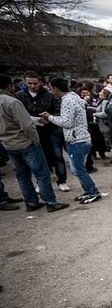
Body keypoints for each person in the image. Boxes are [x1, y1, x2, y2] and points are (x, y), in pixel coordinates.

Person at [0, 74, 69, 212]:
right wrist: (34, 139)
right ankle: (50, 202)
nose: (32, 86)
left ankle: (31, 202)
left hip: (8, 143)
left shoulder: (13, 100)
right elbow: (26, 124)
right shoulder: (12, 101)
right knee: (42, 173)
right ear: (10, 85)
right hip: (24, 142)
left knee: (22, 175)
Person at [40, 77, 102, 204]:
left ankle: (93, 192)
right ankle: (88, 191)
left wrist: (50, 117)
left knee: (78, 169)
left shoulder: (67, 101)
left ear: (56, 88)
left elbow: (67, 122)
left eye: (51, 88)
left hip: (76, 139)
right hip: (80, 137)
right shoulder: (74, 98)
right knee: (78, 169)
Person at [14, 70, 69, 192]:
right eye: (29, 83)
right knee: (38, 158)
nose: (33, 86)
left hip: (51, 130)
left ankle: (62, 180)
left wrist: (49, 118)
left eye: (35, 83)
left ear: (39, 82)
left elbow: (59, 110)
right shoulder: (20, 96)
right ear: (25, 82)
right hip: (32, 131)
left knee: (57, 155)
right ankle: (42, 182)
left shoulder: (50, 95)